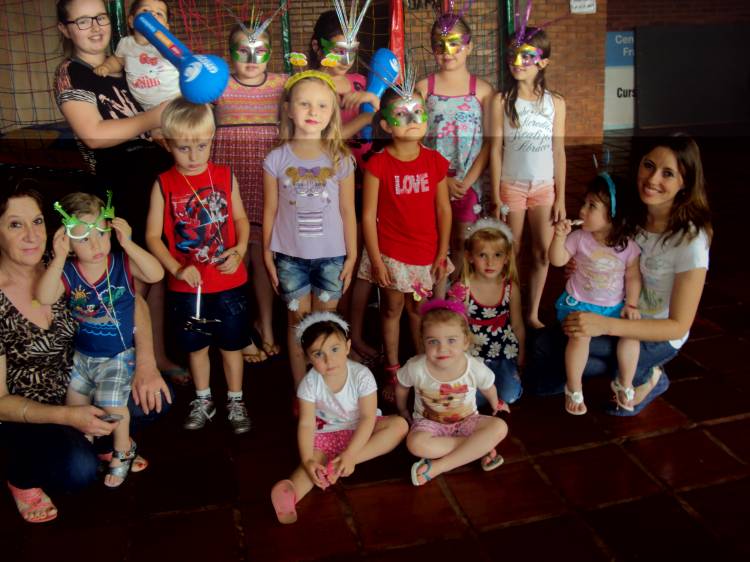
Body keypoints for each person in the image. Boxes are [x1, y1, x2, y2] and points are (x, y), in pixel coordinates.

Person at [0, 182, 171, 523]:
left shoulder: (66, 259)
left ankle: (104, 442)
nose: (32, 235)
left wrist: (147, 364)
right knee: (79, 470)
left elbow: (131, 300)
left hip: (87, 376)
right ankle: (20, 477)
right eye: (15, 224)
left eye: (37, 221)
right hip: (29, 411)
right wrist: (67, 416)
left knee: (153, 399)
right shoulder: (53, 272)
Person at [526, 134, 712, 416]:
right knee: (544, 343)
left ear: (685, 183)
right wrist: (581, 266)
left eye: (668, 173)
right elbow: (599, 253)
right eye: (648, 165)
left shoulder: (690, 241)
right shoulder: (629, 216)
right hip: (612, 310)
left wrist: (603, 325)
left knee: (575, 346)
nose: (652, 179)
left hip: (653, 335)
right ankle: (619, 370)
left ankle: (648, 376)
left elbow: (677, 326)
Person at [54, 0, 185, 384]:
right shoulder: (71, 72)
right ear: (65, 29)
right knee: (128, 279)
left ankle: (156, 354)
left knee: (153, 271)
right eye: (82, 21)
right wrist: (155, 117)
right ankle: (125, 364)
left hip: (155, 178)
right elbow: (94, 134)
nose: (95, 27)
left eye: (99, 17)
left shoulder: (127, 63)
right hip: (118, 185)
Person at [35, 192, 164, 486]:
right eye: (83, 239)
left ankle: (123, 450)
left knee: (112, 404)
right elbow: (44, 296)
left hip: (118, 355)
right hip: (83, 357)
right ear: (68, 242)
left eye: (102, 234)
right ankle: (90, 448)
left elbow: (155, 274)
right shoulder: (69, 271)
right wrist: (58, 258)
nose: (96, 245)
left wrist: (128, 243)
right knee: (76, 406)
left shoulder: (122, 263)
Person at [145, 98, 252, 434]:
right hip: (188, 286)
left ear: (212, 139)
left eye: (202, 146)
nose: (193, 156)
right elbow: (152, 236)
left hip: (228, 282)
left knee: (232, 346)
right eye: (183, 148)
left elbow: (240, 219)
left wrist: (240, 249)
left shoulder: (225, 175)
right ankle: (203, 399)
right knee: (196, 347)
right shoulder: (163, 183)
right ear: (167, 143)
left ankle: (235, 399)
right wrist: (176, 269)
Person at [262, 71, 357, 388]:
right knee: (297, 323)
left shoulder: (341, 159)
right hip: (290, 258)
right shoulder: (276, 159)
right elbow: (270, 210)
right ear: (288, 109)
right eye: (304, 104)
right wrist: (267, 254)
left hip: (331, 258)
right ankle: (301, 389)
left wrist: (352, 256)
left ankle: (326, 389)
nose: (313, 111)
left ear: (332, 113)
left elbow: (348, 211)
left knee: (325, 324)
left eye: (322, 105)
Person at [358, 87, 452, 402]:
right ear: (386, 124)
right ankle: (393, 369)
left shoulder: (435, 161)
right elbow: (368, 216)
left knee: (417, 310)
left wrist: (442, 253)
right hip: (391, 253)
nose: (412, 120)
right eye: (401, 114)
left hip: (426, 252)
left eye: (417, 112)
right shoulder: (378, 165)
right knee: (392, 308)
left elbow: (443, 210)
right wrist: (376, 260)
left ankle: (423, 368)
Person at [270, 312, 408, 524]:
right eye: (318, 354)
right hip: (327, 434)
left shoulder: (361, 375)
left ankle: (344, 461)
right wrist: (307, 460)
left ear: (347, 346)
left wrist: (351, 454)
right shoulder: (309, 384)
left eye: (334, 349)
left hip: (362, 430)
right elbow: (306, 423)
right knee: (314, 466)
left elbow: (367, 417)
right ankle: (290, 492)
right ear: (307, 357)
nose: (329, 360)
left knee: (399, 426)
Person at [308, 7, 382, 365]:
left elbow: (384, 120)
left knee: (361, 258)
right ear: (317, 47)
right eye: (337, 49)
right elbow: (324, 139)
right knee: (335, 261)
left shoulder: (360, 82)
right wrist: (368, 111)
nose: (344, 58)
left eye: (351, 50)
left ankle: (353, 334)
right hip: (326, 185)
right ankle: (329, 337)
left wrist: (374, 101)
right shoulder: (310, 85)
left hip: (366, 177)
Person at [212, 16, 288, 364]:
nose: (252, 59)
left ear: (271, 53)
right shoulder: (219, 86)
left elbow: (326, 87)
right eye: (243, 51)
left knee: (263, 255)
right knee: (235, 256)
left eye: (260, 51)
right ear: (229, 53)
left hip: (266, 179)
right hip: (230, 180)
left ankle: (266, 325)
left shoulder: (283, 84)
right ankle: (238, 330)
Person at [489, 27, 566, 328]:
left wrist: (560, 197)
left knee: (543, 253)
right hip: (512, 186)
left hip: (544, 188)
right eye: (513, 54)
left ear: (543, 62)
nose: (517, 61)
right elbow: (495, 150)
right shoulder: (502, 101)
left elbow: (558, 151)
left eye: (526, 56)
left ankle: (532, 312)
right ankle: (511, 309)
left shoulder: (555, 103)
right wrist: (496, 194)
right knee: (513, 251)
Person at [549, 175, 641, 414]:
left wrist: (631, 304)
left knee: (632, 335)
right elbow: (557, 260)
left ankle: (625, 383)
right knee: (580, 337)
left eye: (592, 206)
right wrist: (559, 237)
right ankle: (574, 387)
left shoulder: (628, 246)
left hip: (613, 307)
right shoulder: (579, 238)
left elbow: (633, 277)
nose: (582, 210)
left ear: (613, 215)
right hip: (579, 304)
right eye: (584, 203)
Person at [395, 300, 509, 486]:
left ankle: (438, 467)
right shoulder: (416, 367)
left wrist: (496, 404)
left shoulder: (474, 367)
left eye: (451, 340)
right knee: (415, 444)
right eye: (433, 341)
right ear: (423, 342)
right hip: (430, 425)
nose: (442, 348)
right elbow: (401, 386)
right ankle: (478, 448)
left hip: (468, 421)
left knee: (500, 427)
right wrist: (402, 410)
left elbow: (488, 387)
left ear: (465, 342)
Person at [417, 13, 494, 281]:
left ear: (469, 46)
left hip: (468, 183)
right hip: (432, 180)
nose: (447, 52)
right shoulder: (423, 89)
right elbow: (414, 139)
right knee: (435, 240)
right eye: (439, 45)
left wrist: (466, 181)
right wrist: (441, 178)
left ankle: (458, 295)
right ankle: (435, 295)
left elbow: (490, 143)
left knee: (463, 241)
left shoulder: (483, 91)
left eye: (454, 44)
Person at [448, 217, 524, 405]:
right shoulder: (462, 288)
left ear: (506, 258)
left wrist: (522, 354)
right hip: (471, 355)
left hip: (502, 352)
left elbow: (517, 324)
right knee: (470, 398)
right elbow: (451, 328)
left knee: (509, 395)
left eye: (497, 255)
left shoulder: (510, 287)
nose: (490, 262)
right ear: (469, 256)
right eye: (482, 255)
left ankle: (492, 390)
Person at [93, 0, 180, 111]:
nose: (152, 15)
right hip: (146, 107)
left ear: (166, 27)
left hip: (176, 99)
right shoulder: (125, 44)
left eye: (159, 14)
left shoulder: (167, 44)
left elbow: (180, 59)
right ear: (132, 21)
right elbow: (117, 60)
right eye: (145, 10)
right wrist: (107, 67)